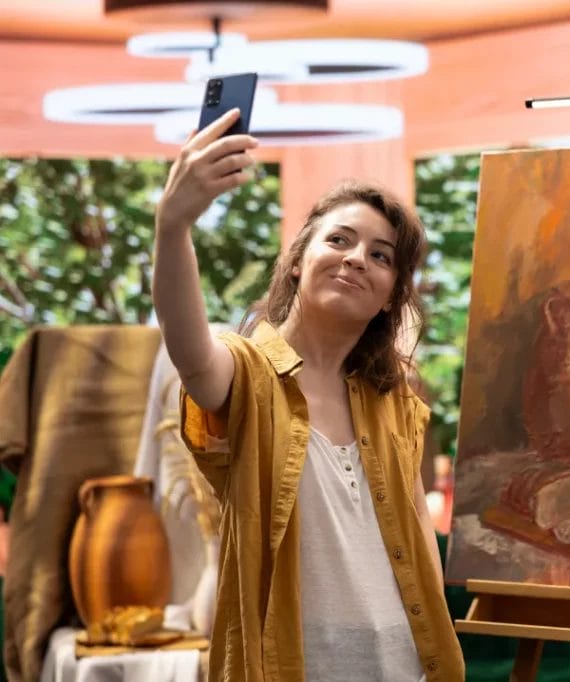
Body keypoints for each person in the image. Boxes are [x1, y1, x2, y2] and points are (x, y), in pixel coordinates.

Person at [152, 108, 465, 682]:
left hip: (404, 664)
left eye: (380, 255)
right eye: (339, 239)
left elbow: (420, 530)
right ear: (297, 261)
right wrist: (173, 226)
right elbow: (189, 352)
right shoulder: (245, 373)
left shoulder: (395, 401)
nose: (356, 258)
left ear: (390, 296)